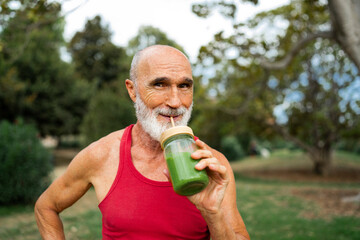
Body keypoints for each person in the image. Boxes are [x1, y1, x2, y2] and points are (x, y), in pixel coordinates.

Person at [35, 45, 250, 240]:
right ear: (132, 90)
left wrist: (213, 214)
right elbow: (46, 207)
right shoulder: (101, 154)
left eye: (184, 85)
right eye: (159, 84)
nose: (175, 102)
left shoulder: (213, 165)